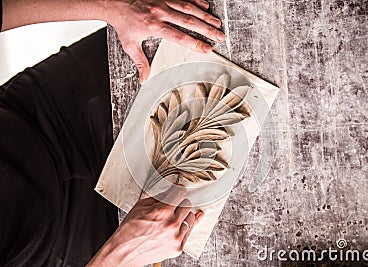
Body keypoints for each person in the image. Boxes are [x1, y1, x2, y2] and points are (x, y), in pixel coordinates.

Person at [0, 0, 225, 266]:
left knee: (207, 28)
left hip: (42, 116)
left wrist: (113, 6)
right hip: (72, 247)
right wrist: (123, 251)